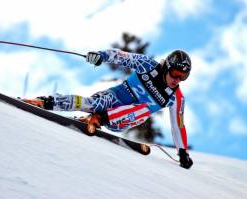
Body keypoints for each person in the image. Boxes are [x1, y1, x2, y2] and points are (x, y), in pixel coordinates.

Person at [24, 49, 193, 169]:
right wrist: (100, 56)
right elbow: (120, 56)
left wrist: (183, 152)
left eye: (183, 77)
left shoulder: (176, 98)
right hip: (115, 96)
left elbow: (178, 125)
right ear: (167, 67)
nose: (177, 80)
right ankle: (46, 102)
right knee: (90, 103)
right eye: (176, 74)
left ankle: (100, 119)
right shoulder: (148, 65)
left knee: (144, 110)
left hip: (122, 118)